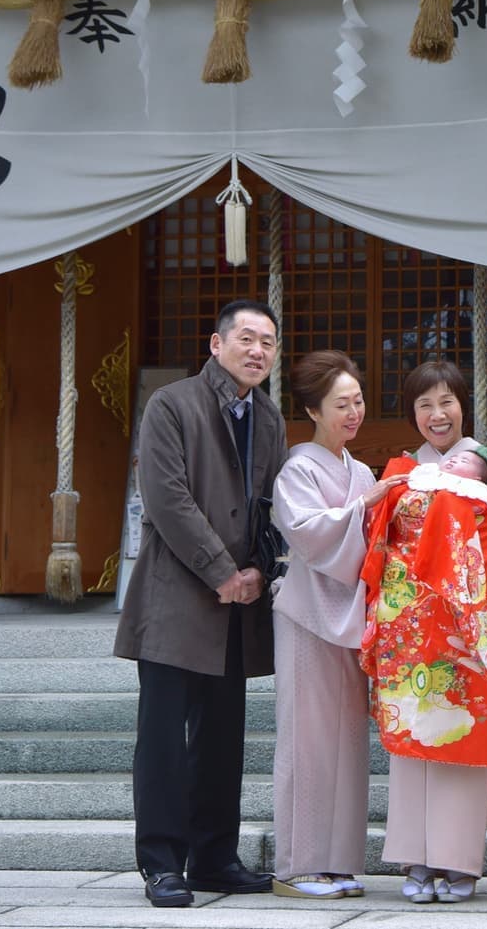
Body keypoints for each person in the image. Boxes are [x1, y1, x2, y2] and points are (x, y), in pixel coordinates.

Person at [113, 300, 289, 908]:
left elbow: (274, 506)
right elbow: (165, 496)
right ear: (217, 345)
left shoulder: (268, 417)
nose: (257, 351)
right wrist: (221, 571)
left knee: (222, 738)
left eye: (268, 342)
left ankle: (214, 855)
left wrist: (260, 572)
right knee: (162, 737)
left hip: (238, 604)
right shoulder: (174, 404)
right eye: (246, 338)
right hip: (176, 598)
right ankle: (161, 862)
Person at [268, 351, 409, 900]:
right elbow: (306, 532)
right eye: (341, 404)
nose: (354, 413)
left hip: (352, 619)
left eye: (358, 401)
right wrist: (362, 509)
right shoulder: (297, 468)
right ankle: (297, 865)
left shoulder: (359, 470)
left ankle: (339, 860)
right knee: (307, 738)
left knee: (348, 739)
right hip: (308, 617)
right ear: (313, 410)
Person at [360, 444, 487, 905]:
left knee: (459, 740)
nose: (437, 413)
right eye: (425, 404)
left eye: (446, 402)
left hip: (464, 638)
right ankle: (415, 858)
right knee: (412, 737)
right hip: (409, 625)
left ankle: (459, 860)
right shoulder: (408, 477)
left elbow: (481, 563)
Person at [402, 359, 487, 488]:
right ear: (413, 414)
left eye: (446, 402)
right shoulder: (405, 465)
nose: (438, 416)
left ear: (463, 406)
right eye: (425, 405)